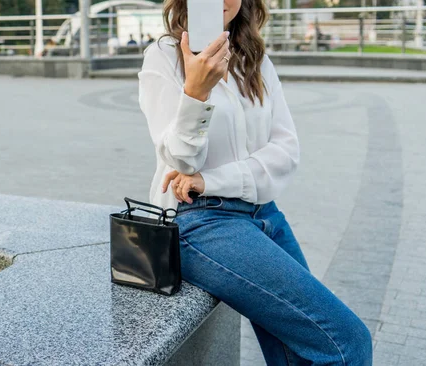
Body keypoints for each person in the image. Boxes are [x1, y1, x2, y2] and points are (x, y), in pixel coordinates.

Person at [137, 0, 373, 365]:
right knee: (347, 342)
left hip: (264, 212)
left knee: (298, 353)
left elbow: (285, 151)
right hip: (200, 222)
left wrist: (210, 179)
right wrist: (196, 92)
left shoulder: (254, 58)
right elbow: (180, 160)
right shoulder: (164, 57)